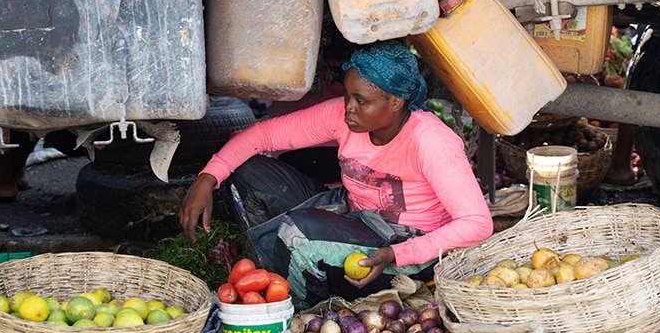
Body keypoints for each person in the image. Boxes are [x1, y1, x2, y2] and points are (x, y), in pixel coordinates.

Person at [179, 40, 494, 306]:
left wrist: (398, 254)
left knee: (301, 230)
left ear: (395, 101)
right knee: (248, 170)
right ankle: (269, 271)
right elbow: (264, 135)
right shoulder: (344, 117)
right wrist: (207, 178)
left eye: (361, 101)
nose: (348, 109)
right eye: (347, 96)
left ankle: (294, 306)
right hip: (353, 215)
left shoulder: (432, 142)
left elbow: (478, 224)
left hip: (405, 247)